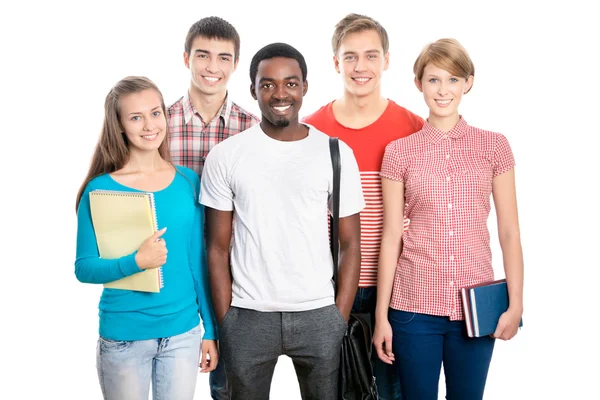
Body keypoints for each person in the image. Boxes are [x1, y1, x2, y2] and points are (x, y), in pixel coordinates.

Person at [200, 42, 365, 400]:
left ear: (305, 87)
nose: (280, 93)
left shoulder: (334, 153)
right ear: (253, 89)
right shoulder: (226, 156)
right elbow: (216, 247)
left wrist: (339, 316)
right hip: (247, 315)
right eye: (268, 84)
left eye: (290, 83)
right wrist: (227, 320)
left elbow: (352, 244)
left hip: (318, 312)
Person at [373, 38, 524, 400]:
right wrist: (381, 317)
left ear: (468, 82)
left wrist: (515, 304)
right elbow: (391, 235)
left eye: (453, 80)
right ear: (418, 84)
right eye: (434, 80)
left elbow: (509, 231)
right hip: (412, 308)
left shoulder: (494, 146)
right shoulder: (399, 152)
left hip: (475, 309)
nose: (443, 90)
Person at [302, 13, 423, 400]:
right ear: (336, 63)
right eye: (350, 56)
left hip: (401, 288)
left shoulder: (414, 128)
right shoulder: (311, 131)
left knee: (393, 391)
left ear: (386, 60)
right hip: (333, 287)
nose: (360, 67)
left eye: (371, 56)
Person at [75, 76, 218, 400]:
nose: (149, 125)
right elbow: (84, 268)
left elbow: (198, 260)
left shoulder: (188, 181)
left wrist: (209, 330)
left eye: (155, 113)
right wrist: (136, 262)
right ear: (120, 126)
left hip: (182, 334)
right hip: (124, 337)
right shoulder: (100, 189)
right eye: (136, 117)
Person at [167, 17, 259, 398]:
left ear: (235, 64)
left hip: (234, 274)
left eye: (224, 57)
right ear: (186, 57)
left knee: (230, 384)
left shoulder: (253, 130)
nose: (212, 67)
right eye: (203, 55)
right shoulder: (161, 126)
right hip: (173, 271)